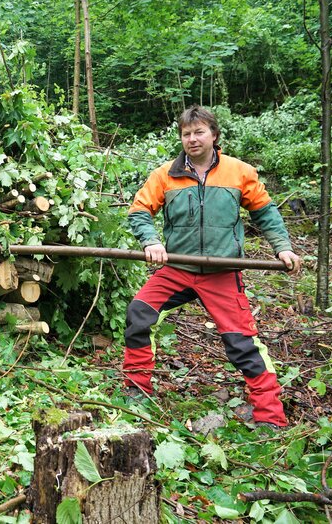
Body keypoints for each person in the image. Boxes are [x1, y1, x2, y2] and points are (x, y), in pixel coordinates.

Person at [124, 105, 302, 428]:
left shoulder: (239, 172)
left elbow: (266, 213)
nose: (192, 139)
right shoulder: (165, 175)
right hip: (177, 268)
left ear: (214, 135)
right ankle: (136, 392)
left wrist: (283, 248)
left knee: (242, 343)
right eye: (186, 134)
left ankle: (271, 417)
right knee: (138, 314)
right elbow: (139, 211)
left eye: (199, 132)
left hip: (222, 273)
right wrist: (151, 241)